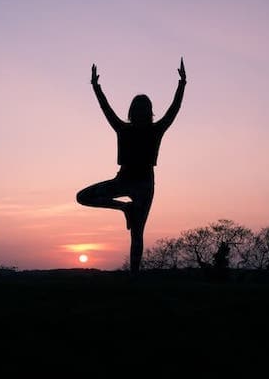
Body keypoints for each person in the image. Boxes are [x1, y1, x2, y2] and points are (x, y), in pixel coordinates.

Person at [76, 57, 187, 276]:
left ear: (148, 112)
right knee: (83, 196)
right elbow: (105, 109)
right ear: (132, 111)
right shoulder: (122, 128)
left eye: (144, 109)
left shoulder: (156, 130)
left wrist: (182, 84)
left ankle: (134, 279)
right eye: (137, 109)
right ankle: (124, 208)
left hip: (144, 186)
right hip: (123, 180)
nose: (140, 113)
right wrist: (96, 87)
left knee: (137, 234)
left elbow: (174, 109)